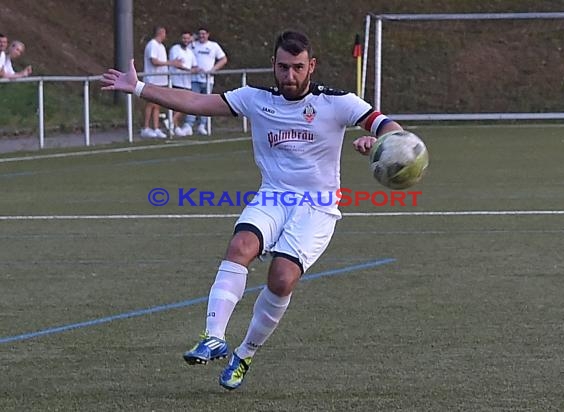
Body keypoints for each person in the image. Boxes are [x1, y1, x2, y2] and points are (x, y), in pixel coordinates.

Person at [101, 29, 403, 390]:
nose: (289, 76)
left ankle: (244, 354)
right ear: (272, 66)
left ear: (312, 67)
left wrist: (378, 141)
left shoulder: (338, 102)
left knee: (281, 278)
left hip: (318, 206)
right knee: (240, 246)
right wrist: (139, 88)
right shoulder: (255, 99)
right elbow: (197, 102)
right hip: (272, 196)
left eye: (297, 68)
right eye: (282, 68)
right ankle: (213, 336)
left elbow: (390, 127)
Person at [141, 26, 184, 139]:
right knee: (151, 104)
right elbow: (154, 61)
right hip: (152, 79)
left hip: (161, 79)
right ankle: (145, 127)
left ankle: (156, 128)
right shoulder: (152, 45)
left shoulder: (161, 46)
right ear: (160, 33)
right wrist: (172, 63)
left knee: (157, 105)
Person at [186, 27, 228, 135]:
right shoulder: (193, 45)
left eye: (204, 34)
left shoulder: (213, 46)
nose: (202, 36)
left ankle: (202, 125)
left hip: (208, 80)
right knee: (192, 101)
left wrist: (213, 69)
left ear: (208, 34)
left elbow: (223, 59)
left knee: (206, 103)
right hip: (195, 79)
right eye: (200, 34)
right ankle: (189, 125)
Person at [169, 31, 201, 137]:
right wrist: (189, 70)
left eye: (188, 38)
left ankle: (173, 124)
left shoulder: (190, 52)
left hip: (187, 82)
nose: (186, 41)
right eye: (184, 38)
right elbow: (176, 64)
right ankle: (172, 123)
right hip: (176, 81)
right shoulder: (175, 49)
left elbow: (194, 65)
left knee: (182, 106)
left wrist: (197, 69)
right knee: (179, 106)